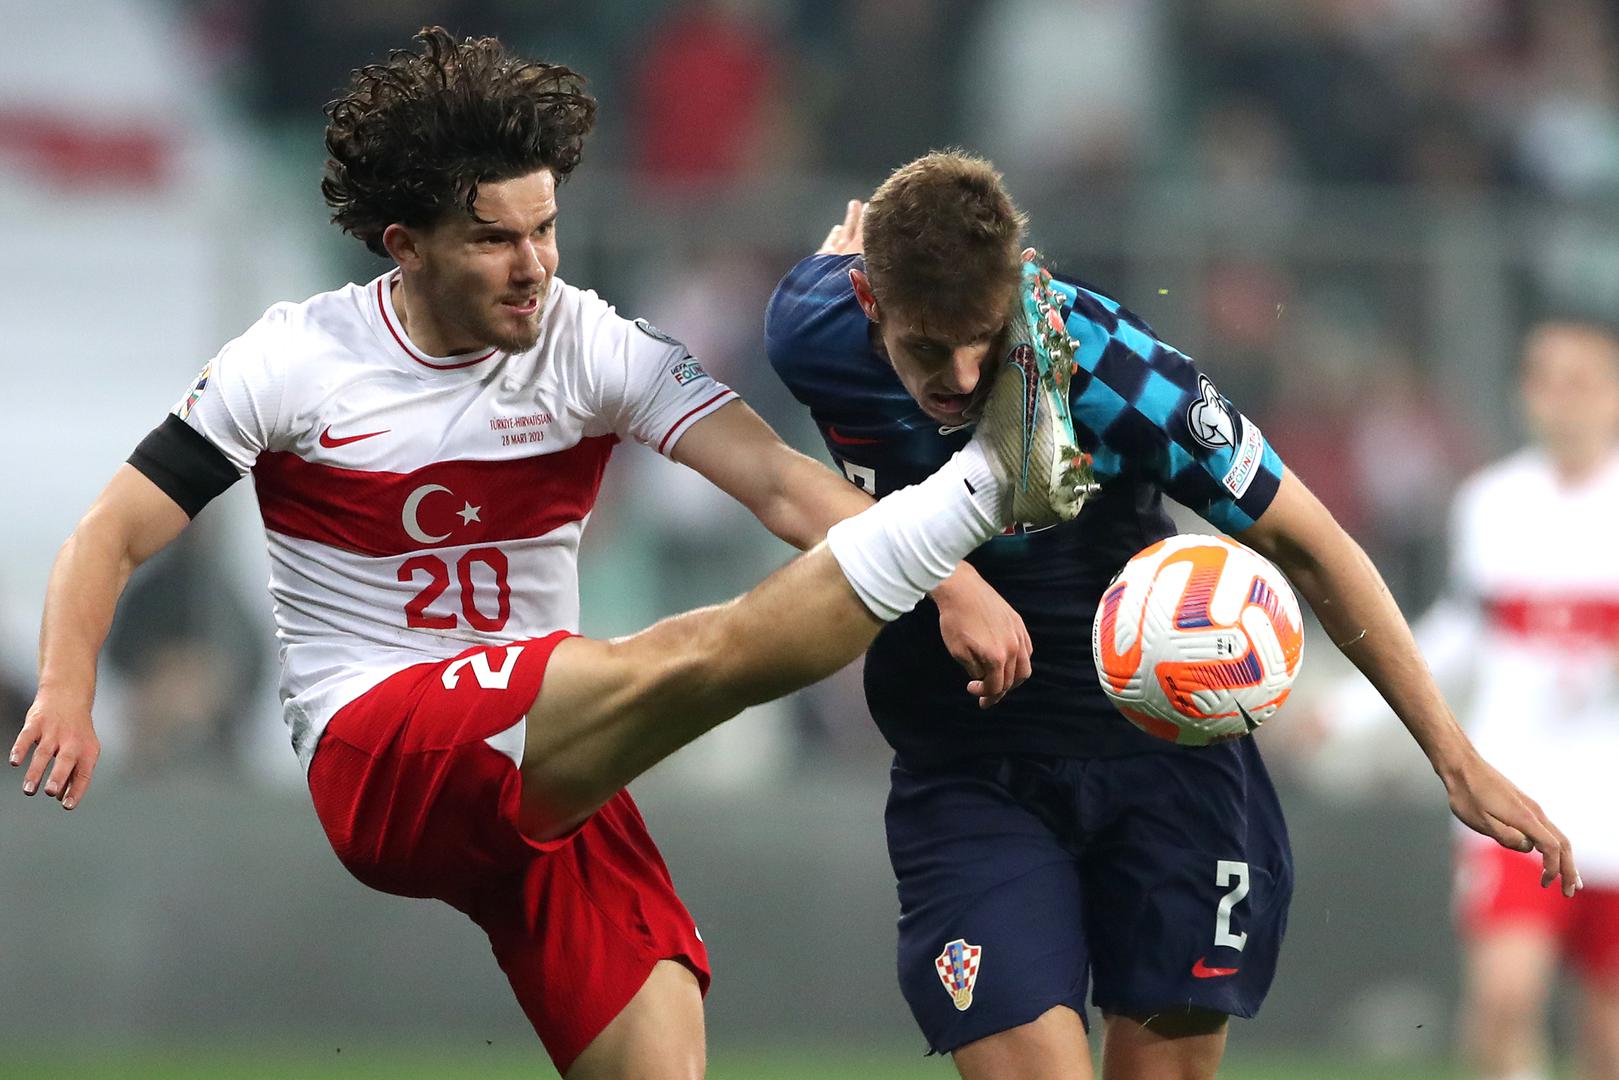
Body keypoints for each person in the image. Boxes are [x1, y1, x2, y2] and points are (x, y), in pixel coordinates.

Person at [8, 31, 1081, 1080]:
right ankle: (989, 481)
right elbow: (111, 531)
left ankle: (961, 516)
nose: (534, 269)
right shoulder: (295, 361)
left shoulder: (586, 341)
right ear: (405, 244)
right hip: (382, 751)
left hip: (543, 763)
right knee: (690, 659)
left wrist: (952, 587)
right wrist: (65, 686)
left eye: (546, 229)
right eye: (494, 241)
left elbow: (777, 482)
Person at [764, 151, 1580, 1080]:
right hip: (970, 765)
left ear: (1020, 289)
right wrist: (946, 577)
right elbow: (784, 483)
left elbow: (1310, 543)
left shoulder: (1117, 371)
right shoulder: (812, 330)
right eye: (925, 348)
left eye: (983, 341)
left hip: (1166, 757)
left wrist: (1453, 756)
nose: (956, 377)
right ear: (869, 303)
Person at [1324, 319, 1619, 1080]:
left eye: (1579, 381)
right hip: (1516, 780)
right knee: (1502, 997)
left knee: (1608, 1023)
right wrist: (1351, 709)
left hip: (1611, 788)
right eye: (1543, 380)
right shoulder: (1493, 502)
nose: (1560, 400)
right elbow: (1460, 628)